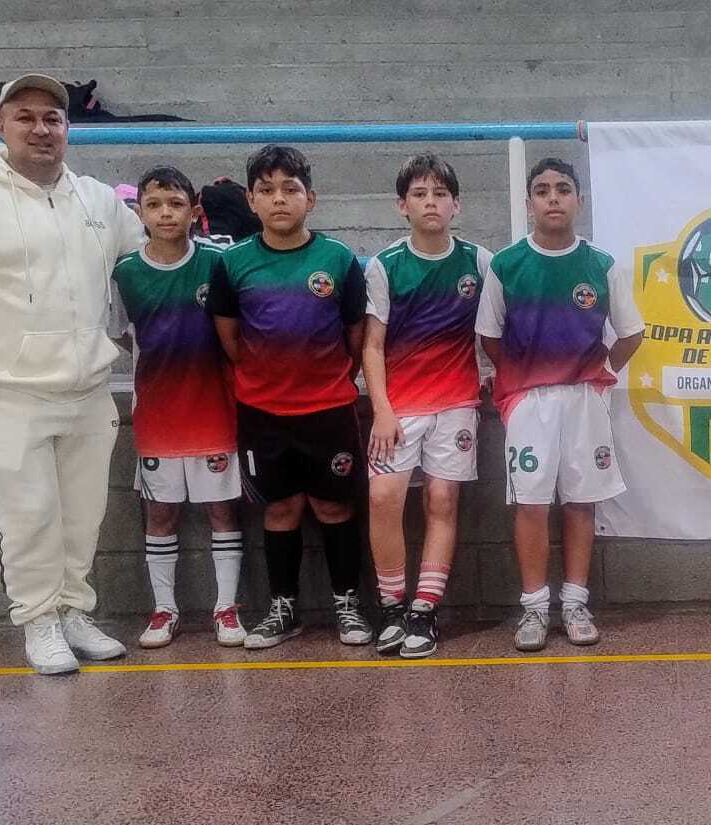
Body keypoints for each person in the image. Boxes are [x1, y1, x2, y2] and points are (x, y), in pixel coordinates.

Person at [0, 74, 143, 674]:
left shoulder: (98, 200)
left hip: (88, 388)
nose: (41, 130)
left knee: (83, 514)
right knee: (28, 515)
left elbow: (150, 258)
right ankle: (38, 620)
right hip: (9, 389)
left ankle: (73, 612)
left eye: (52, 119)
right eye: (26, 118)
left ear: (67, 128)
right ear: (0, 126)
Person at [206, 145, 374, 649]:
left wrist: (326, 380)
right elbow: (230, 338)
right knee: (280, 510)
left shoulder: (338, 260)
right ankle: (284, 608)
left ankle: (347, 603)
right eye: (266, 190)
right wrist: (266, 380)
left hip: (329, 410)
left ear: (310, 199)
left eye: (290, 189)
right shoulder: (232, 263)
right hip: (262, 413)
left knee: (333, 507)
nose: (279, 199)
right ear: (251, 200)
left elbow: (355, 339)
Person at [476, 157, 644, 652]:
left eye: (563, 189)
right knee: (530, 503)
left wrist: (599, 375)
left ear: (579, 201)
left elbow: (632, 334)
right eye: (543, 190)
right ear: (529, 202)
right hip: (529, 401)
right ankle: (533, 607)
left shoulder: (602, 265)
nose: (553, 197)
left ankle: (574, 603)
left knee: (580, 501)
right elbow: (489, 337)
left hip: (584, 397)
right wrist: (523, 379)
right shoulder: (506, 264)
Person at [363, 154, 494, 658]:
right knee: (383, 498)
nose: (431, 202)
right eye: (420, 194)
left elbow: (498, 328)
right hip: (399, 407)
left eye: (440, 194)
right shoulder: (385, 265)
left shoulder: (479, 262)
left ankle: (424, 611)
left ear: (456, 205)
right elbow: (372, 345)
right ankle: (392, 607)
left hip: (456, 403)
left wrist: (494, 373)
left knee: (441, 501)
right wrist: (381, 409)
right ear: (403, 205)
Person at [110, 166, 245, 649]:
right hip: (158, 414)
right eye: (153, 204)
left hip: (215, 409)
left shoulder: (219, 262)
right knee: (160, 513)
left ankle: (226, 608)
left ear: (194, 211)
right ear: (139, 212)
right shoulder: (125, 272)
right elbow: (120, 336)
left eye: (175, 203)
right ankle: (165, 609)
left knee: (222, 511)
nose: (165, 213)